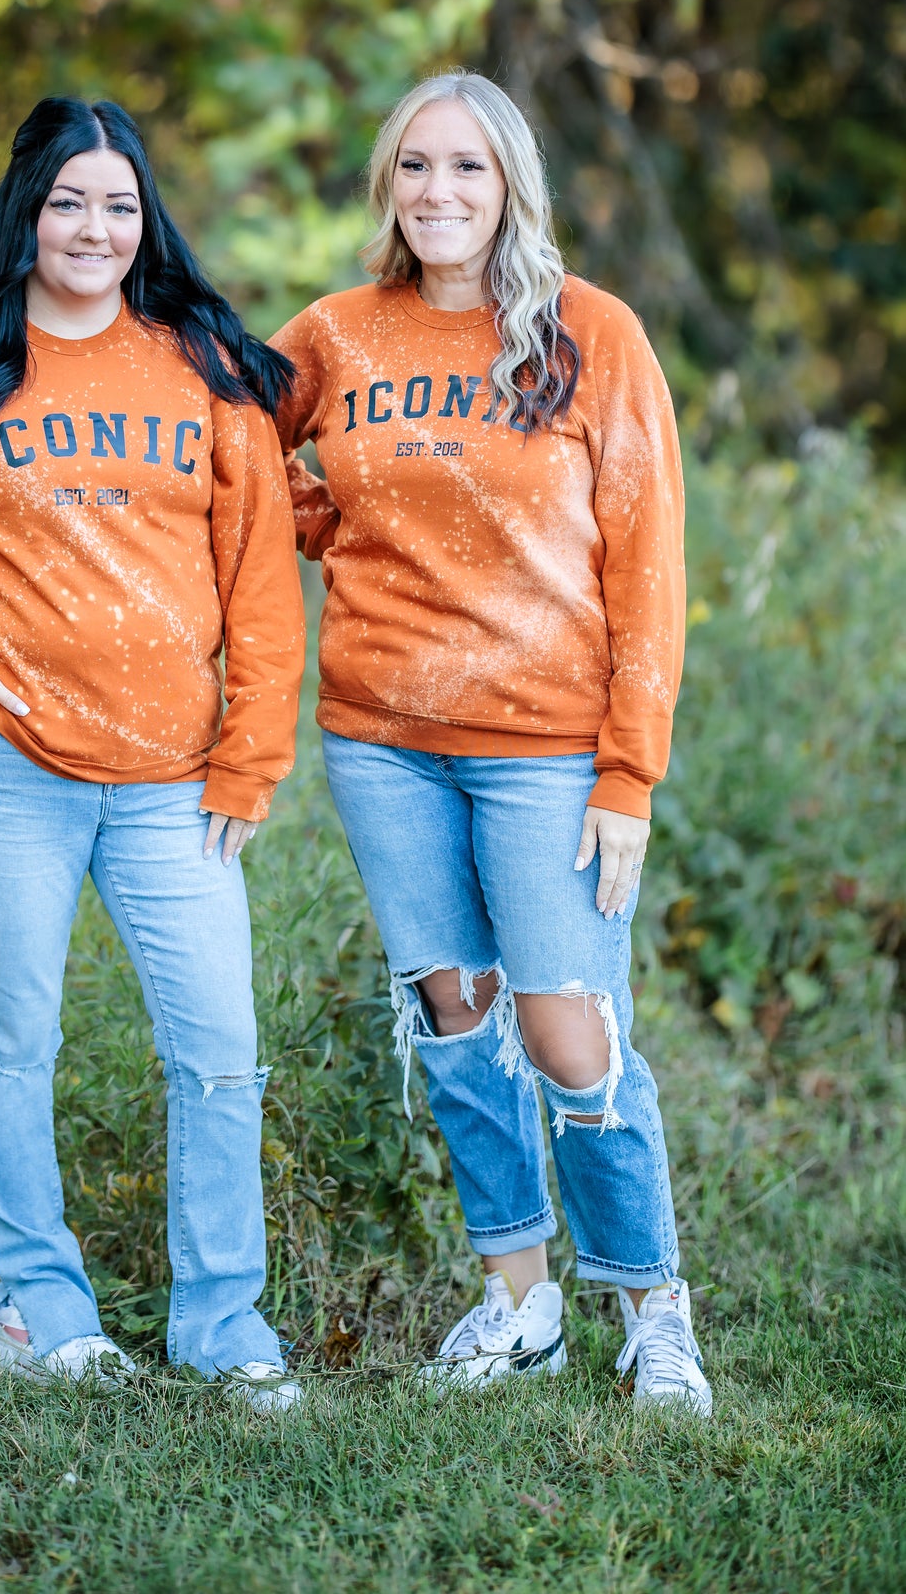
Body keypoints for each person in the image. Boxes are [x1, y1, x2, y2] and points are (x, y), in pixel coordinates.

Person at [0, 97, 306, 1411]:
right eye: (69, 201)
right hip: (10, 773)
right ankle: (44, 1307)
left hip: (172, 785)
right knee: (12, 1039)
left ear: (145, 222)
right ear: (27, 210)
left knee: (215, 1049)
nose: (94, 227)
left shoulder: (198, 363)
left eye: (119, 204)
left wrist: (251, 757)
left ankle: (222, 1328)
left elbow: (259, 581)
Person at [270, 70, 711, 1414]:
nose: (438, 193)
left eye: (466, 168)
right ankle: (518, 1304)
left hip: (546, 748)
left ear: (509, 184)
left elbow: (647, 566)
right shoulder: (336, 336)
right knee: (453, 1017)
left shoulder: (592, 336)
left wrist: (627, 773)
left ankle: (651, 1309)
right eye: (414, 166)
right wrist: (318, 522)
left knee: (566, 1026)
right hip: (382, 741)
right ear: (385, 187)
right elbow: (226, 455)